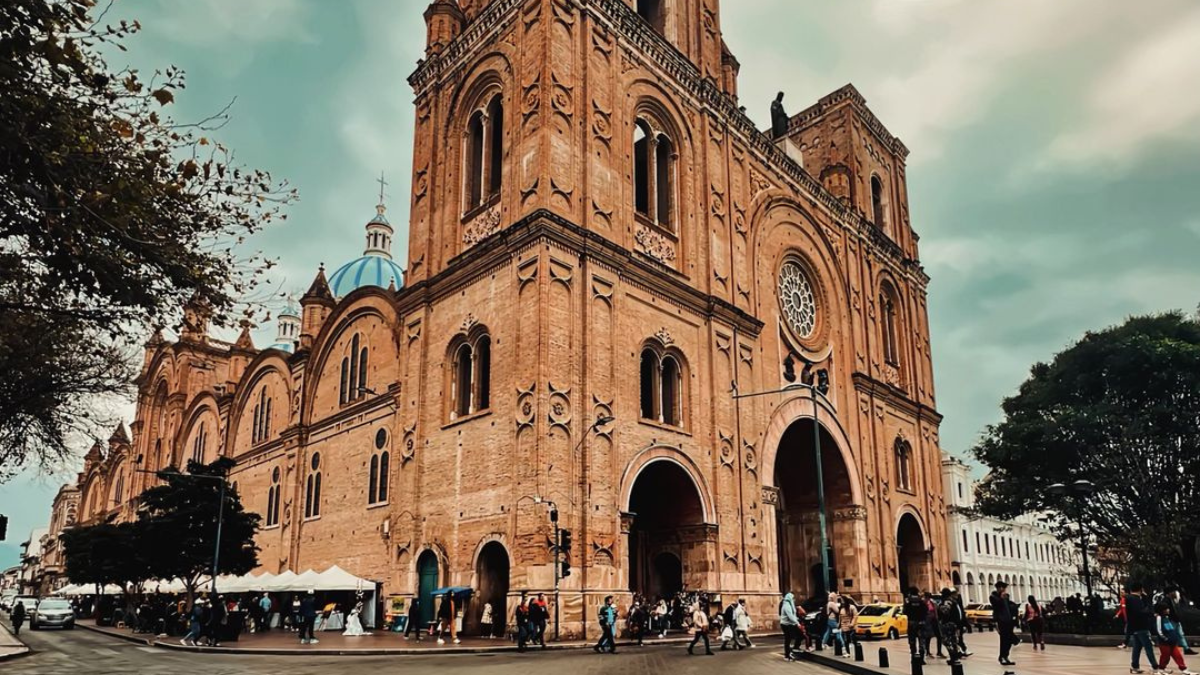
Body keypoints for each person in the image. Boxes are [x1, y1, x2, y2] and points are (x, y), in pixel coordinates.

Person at [1155, 601, 1196, 675]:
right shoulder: (1159, 618)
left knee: (1178, 655)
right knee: (1165, 657)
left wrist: (1174, 637)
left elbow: (1170, 629)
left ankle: (1184, 669)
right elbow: (1159, 630)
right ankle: (1161, 670)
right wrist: (1165, 639)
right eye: (1166, 609)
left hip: (1172, 641)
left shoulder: (1167, 617)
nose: (1168, 610)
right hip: (1164, 643)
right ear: (1162, 610)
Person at [1127, 583, 1157, 674]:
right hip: (1141, 626)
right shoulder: (1135, 599)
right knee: (1148, 647)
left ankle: (1135, 666)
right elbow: (1141, 611)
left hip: (1134, 626)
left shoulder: (1129, 598)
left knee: (1137, 647)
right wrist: (1150, 612)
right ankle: (1155, 667)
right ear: (1141, 589)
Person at [991, 581, 1017, 673]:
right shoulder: (993, 597)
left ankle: (1006, 656)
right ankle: (1002, 657)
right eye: (1003, 587)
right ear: (999, 588)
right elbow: (997, 607)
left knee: (1009, 640)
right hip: (1001, 621)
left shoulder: (1006, 596)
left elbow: (1010, 606)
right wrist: (1001, 599)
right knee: (1004, 639)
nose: (1004, 589)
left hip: (1009, 620)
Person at [937, 588, 965, 666]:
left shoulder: (947, 601)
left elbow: (945, 611)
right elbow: (960, 614)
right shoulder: (954, 602)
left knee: (946, 641)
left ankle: (953, 656)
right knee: (954, 641)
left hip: (948, 624)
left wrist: (939, 607)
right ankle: (955, 656)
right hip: (955, 624)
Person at [904, 586, 928, 664]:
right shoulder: (921, 601)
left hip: (912, 623)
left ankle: (913, 657)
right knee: (922, 641)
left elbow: (905, 611)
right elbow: (926, 611)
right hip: (921, 623)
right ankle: (921, 658)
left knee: (912, 641)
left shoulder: (908, 601)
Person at [780, 591, 801, 661]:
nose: (794, 599)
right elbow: (790, 616)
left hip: (790, 624)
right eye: (793, 598)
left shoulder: (789, 604)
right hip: (786, 625)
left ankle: (794, 648)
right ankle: (787, 655)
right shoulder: (786, 605)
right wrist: (797, 623)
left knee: (799, 635)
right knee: (788, 639)